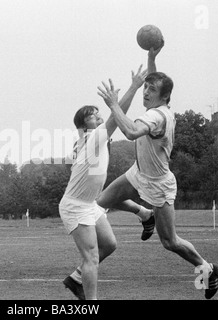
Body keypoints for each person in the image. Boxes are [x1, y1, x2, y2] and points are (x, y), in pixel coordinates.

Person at [96, 44, 218, 299]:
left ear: (163, 98)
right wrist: (151, 58)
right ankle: (144, 216)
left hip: (157, 184)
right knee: (98, 205)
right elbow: (157, 83)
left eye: (151, 90)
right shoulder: (157, 108)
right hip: (138, 173)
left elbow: (130, 132)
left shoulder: (158, 117)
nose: (145, 92)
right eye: (145, 88)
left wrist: (113, 105)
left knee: (170, 242)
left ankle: (207, 269)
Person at [59, 66, 153, 300]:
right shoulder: (90, 139)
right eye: (93, 115)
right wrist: (133, 87)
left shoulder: (94, 139)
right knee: (91, 257)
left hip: (89, 204)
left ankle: (76, 278)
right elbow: (115, 118)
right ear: (84, 126)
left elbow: (113, 120)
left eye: (99, 113)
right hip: (76, 206)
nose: (99, 117)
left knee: (109, 244)